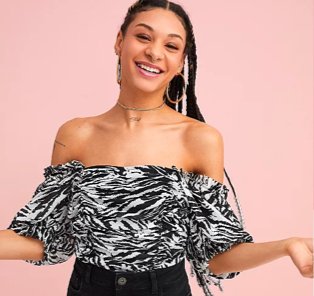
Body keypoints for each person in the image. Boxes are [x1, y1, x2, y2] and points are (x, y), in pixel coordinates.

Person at [0, 1, 312, 296]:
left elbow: (217, 255)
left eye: (171, 46)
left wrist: (287, 246)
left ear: (181, 62)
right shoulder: (75, 134)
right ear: (120, 42)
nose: (154, 52)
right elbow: (45, 239)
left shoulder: (199, 139)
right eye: (143, 37)